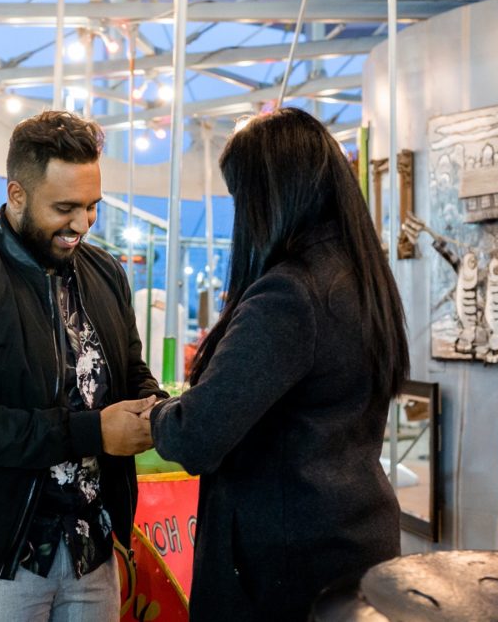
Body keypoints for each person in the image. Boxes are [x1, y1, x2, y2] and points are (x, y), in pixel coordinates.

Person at [0, 110, 165, 621]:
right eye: (64, 207)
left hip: (90, 551)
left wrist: (159, 411)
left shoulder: (105, 272)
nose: (82, 224)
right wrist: (93, 432)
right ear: (16, 194)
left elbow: (131, 372)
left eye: (92, 207)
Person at [147, 107, 409, 621]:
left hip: (286, 565)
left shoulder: (289, 295)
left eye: (241, 197)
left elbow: (199, 435)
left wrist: (156, 415)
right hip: (355, 537)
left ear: (270, 195)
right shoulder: (359, 277)